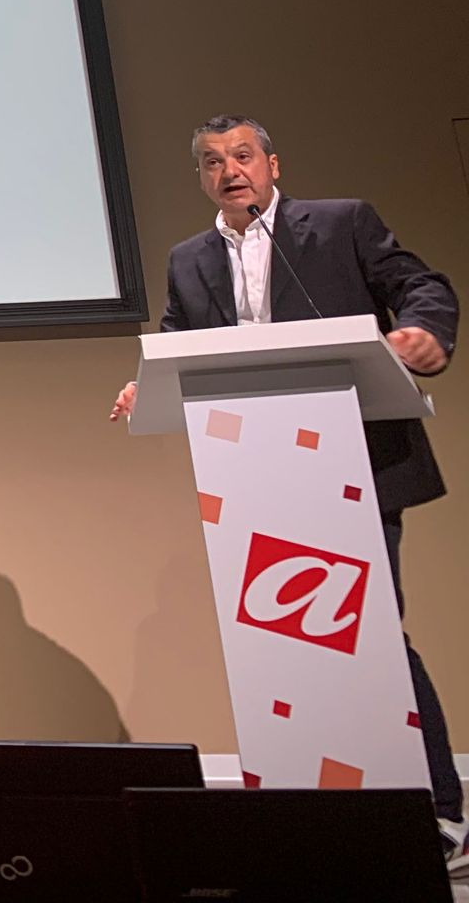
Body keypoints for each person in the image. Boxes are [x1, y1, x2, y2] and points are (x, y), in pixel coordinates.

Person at [111, 115, 461, 864]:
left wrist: (425, 332)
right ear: (202, 178)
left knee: (370, 634)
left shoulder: (340, 224)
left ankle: (439, 811)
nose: (229, 171)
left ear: (273, 164)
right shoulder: (188, 260)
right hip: (254, 480)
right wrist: (146, 385)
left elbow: (419, 285)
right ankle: (307, 810)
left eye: (242, 156)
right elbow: (178, 342)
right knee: (281, 646)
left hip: (355, 464)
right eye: (213, 162)